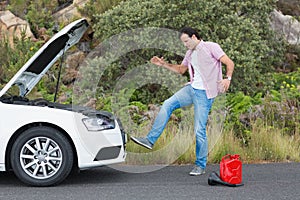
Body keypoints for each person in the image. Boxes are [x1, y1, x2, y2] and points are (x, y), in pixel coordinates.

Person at [130, 27, 234, 176]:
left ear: (193, 37)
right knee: (167, 104)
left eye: (186, 41)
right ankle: (150, 140)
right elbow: (181, 70)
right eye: (183, 42)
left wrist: (227, 79)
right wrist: (163, 64)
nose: (185, 45)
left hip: (204, 94)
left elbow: (229, 63)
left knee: (199, 130)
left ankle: (200, 165)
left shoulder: (211, 47)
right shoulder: (190, 53)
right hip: (191, 89)